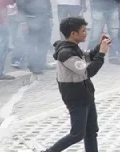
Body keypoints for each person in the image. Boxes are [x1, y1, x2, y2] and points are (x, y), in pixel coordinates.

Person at [42, 17, 109, 152]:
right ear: (73, 33)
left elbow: (88, 56)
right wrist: (102, 53)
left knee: (91, 131)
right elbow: (88, 71)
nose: (86, 33)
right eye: (83, 31)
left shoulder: (73, 47)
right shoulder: (66, 53)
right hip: (76, 98)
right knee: (77, 134)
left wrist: (99, 45)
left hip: (86, 95)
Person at [15, 0, 52, 74]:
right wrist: (23, 22)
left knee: (44, 42)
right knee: (32, 43)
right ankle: (33, 66)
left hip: (44, 19)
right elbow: (19, 7)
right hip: (30, 20)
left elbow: (47, 2)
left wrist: (50, 17)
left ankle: (42, 63)